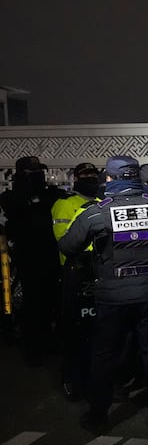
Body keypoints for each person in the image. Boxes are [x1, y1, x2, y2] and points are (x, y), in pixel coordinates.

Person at [59, 156, 148, 429]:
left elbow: (68, 247)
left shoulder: (94, 213)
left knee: (105, 354)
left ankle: (98, 416)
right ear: (136, 177)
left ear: (109, 178)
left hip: (112, 294)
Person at [0, 156, 66, 366]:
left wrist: (37, 201)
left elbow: (53, 201)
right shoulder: (11, 197)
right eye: (31, 172)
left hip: (51, 256)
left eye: (38, 171)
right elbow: (16, 211)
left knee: (53, 301)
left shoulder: (49, 194)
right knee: (33, 305)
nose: (36, 175)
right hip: (28, 258)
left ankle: (49, 342)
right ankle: (34, 348)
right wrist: (32, 202)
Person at [52, 162, 102, 400]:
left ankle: (99, 380)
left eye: (94, 174)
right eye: (85, 175)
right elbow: (64, 240)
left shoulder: (104, 201)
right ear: (76, 178)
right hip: (76, 271)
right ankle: (72, 380)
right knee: (74, 329)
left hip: (100, 271)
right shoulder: (64, 204)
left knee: (100, 330)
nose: (90, 178)